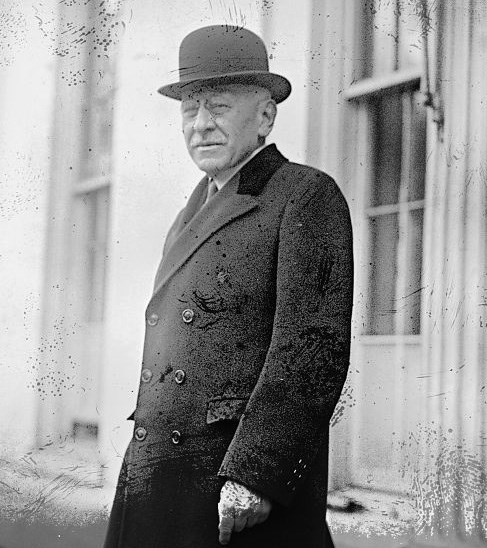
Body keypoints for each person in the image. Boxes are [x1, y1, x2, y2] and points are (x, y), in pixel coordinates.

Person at [103, 25, 353, 548]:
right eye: (189, 110)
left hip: (234, 488)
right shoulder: (191, 211)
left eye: (217, 106)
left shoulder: (304, 195)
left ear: (264, 115)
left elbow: (311, 351)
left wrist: (256, 474)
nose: (200, 125)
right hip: (164, 474)